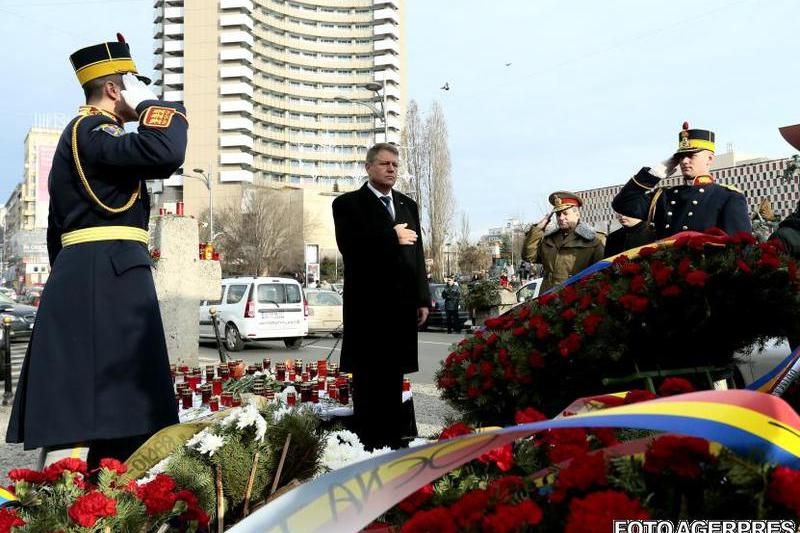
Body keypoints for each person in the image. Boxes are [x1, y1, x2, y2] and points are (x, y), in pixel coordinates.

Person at [7, 35, 187, 468]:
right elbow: (167, 150)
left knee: (117, 411)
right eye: (134, 82)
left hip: (95, 275)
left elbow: (57, 231)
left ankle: (105, 497)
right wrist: (151, 106)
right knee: (94, 409)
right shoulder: (91, 130)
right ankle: (76, 502)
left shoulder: (88, 137)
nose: (140, 87)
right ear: (113, 89)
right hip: (105, 280)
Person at [332, 143, 430, 450]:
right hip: (368, 311)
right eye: (385, 163)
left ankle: (392, 449)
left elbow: (418, 255)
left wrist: (423, 298)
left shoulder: (407, 205)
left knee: (393, 385)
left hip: (400, 310)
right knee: (367, 384)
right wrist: (392, 236)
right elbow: (351, 247)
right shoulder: (348, 204)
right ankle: (368, 450)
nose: (391, 169)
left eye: (395, 165)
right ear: (368, 167)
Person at [612, 122, 752, 238]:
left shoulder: (727, 196)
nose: (684, 161)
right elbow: (622, 203)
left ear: (709, 159)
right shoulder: (665, 197)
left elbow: (739, 246)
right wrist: (657, 172)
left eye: (691, 155)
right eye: (681, 156)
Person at [523, 191, 605, 290]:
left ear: (577, 214)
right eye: (558, 214)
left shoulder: (595, 239)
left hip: (575, 298)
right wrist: (538, 229)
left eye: (565, 213)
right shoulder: (549, 238)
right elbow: (529, 257)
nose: (561, 218)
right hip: (548, 297)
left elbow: (601, 274)